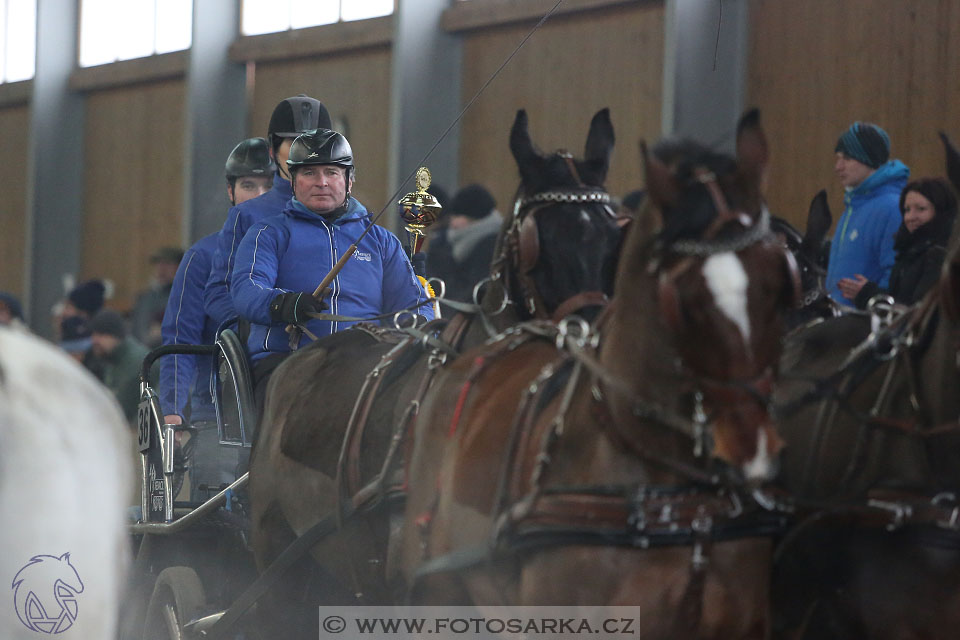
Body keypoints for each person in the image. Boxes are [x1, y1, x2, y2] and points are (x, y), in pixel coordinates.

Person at [230, 128, 434, 406]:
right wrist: (283, 304)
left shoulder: (382, 241)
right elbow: (246, 289)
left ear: (349, 181)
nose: (321, 182)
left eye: (331, 172)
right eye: (309, 173)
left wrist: (420, 326)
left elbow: (415, 303)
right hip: (288, 362)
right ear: (293, 181)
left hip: (369, 364)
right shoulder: (267, 234)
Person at [158, 137, 275, 500]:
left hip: (283, 412)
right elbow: (181, 338)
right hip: (218, 419)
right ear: (230, 191)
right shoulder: (202, 257)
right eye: (248, 185)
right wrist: (173, 412)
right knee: (217, 532)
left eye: (269, 186)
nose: (258, 196)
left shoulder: (297, 249)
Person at [204, 95, 332, 330]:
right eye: (294, 143)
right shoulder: (247, 216)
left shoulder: (352, 218)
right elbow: (220, 292)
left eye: (315, 144)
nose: (307, 153)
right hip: (275, 340)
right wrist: (258, 327)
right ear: (273, 152)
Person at [825, 122, 910, 307]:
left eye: (846, 158)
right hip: (837, 319)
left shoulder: (891, 207)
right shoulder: (854, 206)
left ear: (868, 159)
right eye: (837, 158)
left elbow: (895, 274)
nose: (838, 167)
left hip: (863, 324)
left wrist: (871, 298)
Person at [839, 178, 957, 308]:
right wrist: (867, 292)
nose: (911, 217)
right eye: (906, 210)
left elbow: (918, 310)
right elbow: (901, 299)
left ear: (940, 212)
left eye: (921, 209)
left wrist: (869, 294)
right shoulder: (908, 250)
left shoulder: (940, 254)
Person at [426, 184, 501, 303]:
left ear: (474, 218)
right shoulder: (454, 243)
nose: (452, 222)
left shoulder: (490, 247)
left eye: (457, 216)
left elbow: (474, 290)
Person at [89, 309, 149, 425]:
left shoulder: (136, 362)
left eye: (102, 334)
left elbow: (121, 408)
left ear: (116, 336)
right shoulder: (111, 359)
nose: (95, 340)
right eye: (94, 334)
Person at [130, 247, 183, 348]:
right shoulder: (144, 298)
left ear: (179, 267)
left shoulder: (184, 297)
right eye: (158, 264)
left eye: (167, 264)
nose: (161, 269)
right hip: (141, 354)